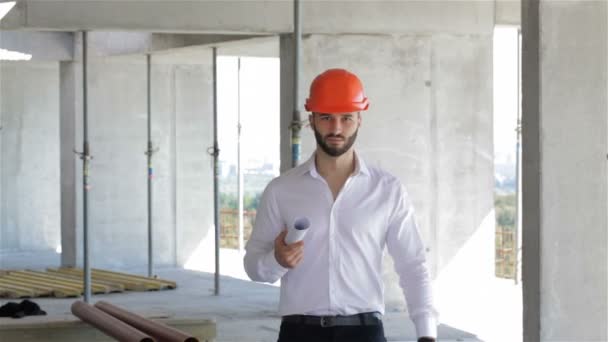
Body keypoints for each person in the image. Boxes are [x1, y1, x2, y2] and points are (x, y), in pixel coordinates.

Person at [244, 68, 438, 342]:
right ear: (311, 119)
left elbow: (413, 265)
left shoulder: (387, 190)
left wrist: (427, 335)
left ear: (360, 119)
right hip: (299, 334)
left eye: (346, 118)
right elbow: (253, 266)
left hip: (365, 332)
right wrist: (277, 260)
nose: (336, 128)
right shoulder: (282, 190)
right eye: (326, 117)